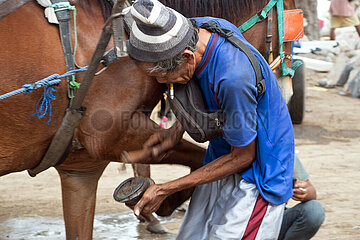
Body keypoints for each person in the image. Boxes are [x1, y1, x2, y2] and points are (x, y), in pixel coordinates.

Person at [126, 0, 295, 238]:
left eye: (163, 76)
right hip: (222, 156)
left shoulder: (234, 78)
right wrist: (175, 131)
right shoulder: (199, 28)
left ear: (186, 57)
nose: (162, 82)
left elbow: (244, 156)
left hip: (259, 175)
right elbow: (206, 93)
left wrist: (166, 188)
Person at [278, 154, 325, 240]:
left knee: (314, 209)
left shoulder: (283, 152)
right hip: (249, 222)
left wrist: (303, 192)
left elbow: (311, 191)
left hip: (276, 220)